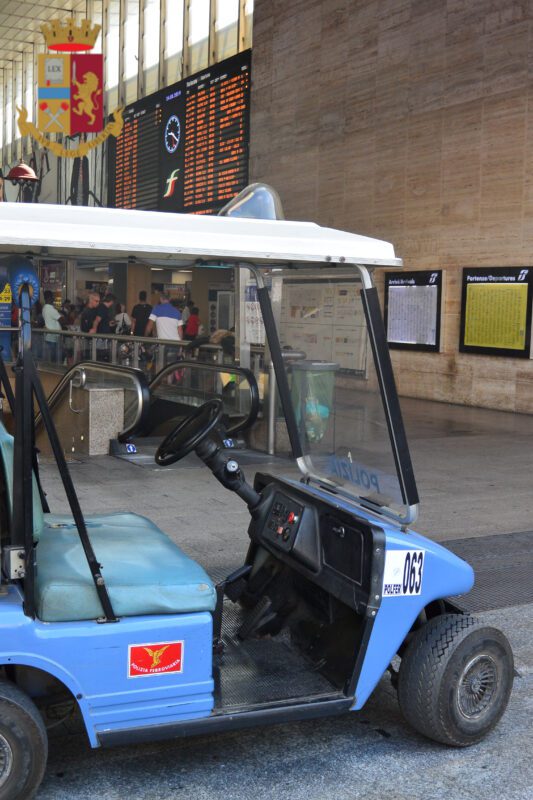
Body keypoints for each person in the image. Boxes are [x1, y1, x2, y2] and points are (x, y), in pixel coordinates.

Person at [145, 291, 183, 365]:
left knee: (161, 367)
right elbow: (180, 331)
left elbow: (149, 327)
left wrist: (145, 338)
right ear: (170, 299)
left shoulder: (156, 309)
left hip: (162, 344)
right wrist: (181, 346)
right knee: (170, 368)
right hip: (175, 344)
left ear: (160, 299)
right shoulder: (177, 312)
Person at [90, 293, 117, 361]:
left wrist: (109, 324)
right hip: (101, 336)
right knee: (101, 354)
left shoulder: (102, 308)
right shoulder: (103, 308)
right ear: (111, 301)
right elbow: (96, 320)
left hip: (102, 335)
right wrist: (94, 331)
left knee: (101, 354)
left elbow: (101, 322)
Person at [42, 290, 64, 363]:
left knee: (51, 356)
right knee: (55, 357)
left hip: (49, 336)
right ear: (49, 298)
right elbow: (62, 320)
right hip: (53, 337)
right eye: (52, 297)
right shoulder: (50, 309)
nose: (53, 299)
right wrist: (62, 315)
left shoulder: (45, 308)